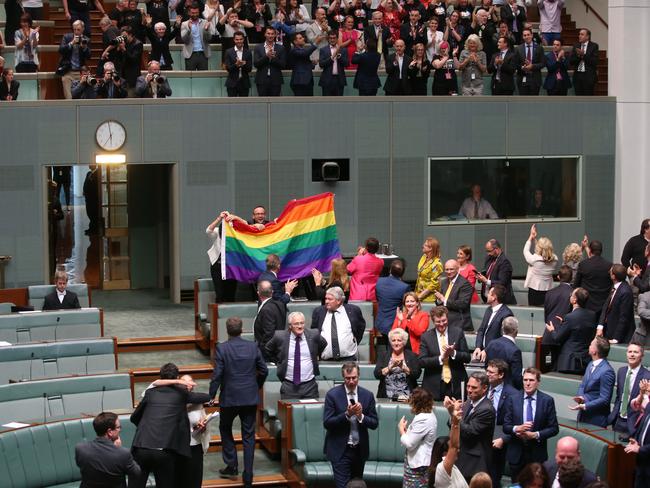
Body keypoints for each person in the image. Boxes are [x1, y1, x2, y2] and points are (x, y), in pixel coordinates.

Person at [130, 363, 211, 488]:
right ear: (177, 378)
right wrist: (182, 384)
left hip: (141, 446)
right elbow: (207, 397)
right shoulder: (181, 394)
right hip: (164, 450)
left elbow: (134, 418)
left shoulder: (151, 392)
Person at [209, 317, 268, 487]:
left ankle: (232, 464)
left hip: (230, 397)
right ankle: (248, 475)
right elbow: (263, 370)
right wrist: (256, 386)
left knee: (225, 427)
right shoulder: (252, 346)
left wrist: (212, 394)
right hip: (249, 397)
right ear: (242, 329)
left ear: (227, 330)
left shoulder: (222, 348)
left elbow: (217, 375)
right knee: (248, 435)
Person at [323, 361, 379, 488]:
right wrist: (347, 415)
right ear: (343, 378)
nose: (351, 381)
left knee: (357, 485)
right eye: (348, 378)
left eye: (354, 378)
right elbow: (327, 423)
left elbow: (374, 423)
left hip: (359, 451)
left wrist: (361, 416)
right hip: (340, 451)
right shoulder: (332, 395)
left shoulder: (367, 395)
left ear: (358, 376)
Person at [503, 367, 559, 481]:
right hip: (517, 454)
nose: (527, 383)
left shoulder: (547, 400)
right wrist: (516, 428)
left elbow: (554, 428)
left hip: (537, 454)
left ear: (538, 382)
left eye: (531, 380)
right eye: (525, 380)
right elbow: (506, 426)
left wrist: (536, 435)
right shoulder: (512, 399)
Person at [265, 311, 327, 399]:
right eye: (296, 324)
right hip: (289, 385)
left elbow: (323, 344)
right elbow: (268, 349)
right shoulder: (279, 336)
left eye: (302, 323)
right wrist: (278, 361)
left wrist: (315, 355)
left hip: (310, 385)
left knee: (312, 411)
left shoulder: (313, 334)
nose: (300, 326)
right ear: (290, 326)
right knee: (289, 411)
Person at [75, 412, 142, 487]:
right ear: (110, 432)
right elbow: (137, 473)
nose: (120, 430)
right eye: (118, 427)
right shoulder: (122, 453)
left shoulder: (80, 449)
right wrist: (118, 449)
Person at [419, 306, 471, 401]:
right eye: (438, 322)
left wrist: (453, 353)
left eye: (444, 320)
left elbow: (467, 357)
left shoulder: (457, 332)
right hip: (433, 385)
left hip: (456, 383)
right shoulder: (426, 337)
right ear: (433, 321)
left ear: (447, 318)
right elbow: (422, 361)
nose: (442, 324)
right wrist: (441, 358)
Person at [546, 287, 596, 374]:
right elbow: (580, 328)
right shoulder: (592, 315)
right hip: (585, 359)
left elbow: (557, 337)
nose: (570, 297)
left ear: (574, 300)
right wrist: (565, 323)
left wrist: (552, 330)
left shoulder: (570, 317)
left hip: (569, 362)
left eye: (571, 295)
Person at [456, 371, 495, 482]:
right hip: (463, 456)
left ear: (484, 388)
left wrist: (454, 416)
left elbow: (470, 432)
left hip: (475, 463)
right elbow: (454, 426)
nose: (469, 390)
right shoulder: (469, 402)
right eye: (468, 386)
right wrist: (454, 415)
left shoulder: (486, 409)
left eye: (474, 387)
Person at [486, 359, 519, 487]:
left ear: (501, 375)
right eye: (487, 371)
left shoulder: (513, 394)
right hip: (482, 440)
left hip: (500, 443)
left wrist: (504, 439)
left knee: (493, 479)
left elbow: (516, 423)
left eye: (491, 372)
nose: (487, 374)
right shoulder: (483, 389)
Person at [311, 286, 366, 361]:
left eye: (330, 299)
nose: (326, 301)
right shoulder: (318, 312)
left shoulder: (353, 311)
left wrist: (352, 342)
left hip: (348, 359)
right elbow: (314, 332)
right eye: (326, 298)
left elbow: (360, 329)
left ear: (339, 301)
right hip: (325, 359)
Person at [571, 337, 615, 428]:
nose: (589, 346)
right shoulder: (591, 364)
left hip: (596, 419)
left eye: (591, 344)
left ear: (595, 351)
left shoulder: (607, 371)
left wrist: (585, 405)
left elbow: (605, 399)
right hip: (583, 416)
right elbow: (583, 385)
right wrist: (581, 397)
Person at [399, 388, 437, 487]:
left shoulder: (423, 419)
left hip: (417, 466)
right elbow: (418, 438)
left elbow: (410, 444)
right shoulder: (429, 415)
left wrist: (401, 430)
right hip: (419, 463)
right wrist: (408, 432)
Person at [608, 342, 649, 436]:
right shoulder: (621, 371)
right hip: (617, 420)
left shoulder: (647, 376)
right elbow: (619, 396)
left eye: (636, 352)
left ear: (642, 355)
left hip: (634, 424)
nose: (632, 354)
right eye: (630, 351)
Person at [541, 265, 574, 370]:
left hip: (548, 335)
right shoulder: (573, 294)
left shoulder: (549, 293)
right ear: (572, 277)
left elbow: (546, 316)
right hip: (564, 337)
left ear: (558, 277)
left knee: (546, 369)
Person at [428, 398, 466, 488]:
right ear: (444, 453)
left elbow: (452, 443)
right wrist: (455, 422)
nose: (459, 450)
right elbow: (454, 446)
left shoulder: (446, 467)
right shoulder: (443, 469)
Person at [374, 328, 421, 399]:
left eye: (399, 340)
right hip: (386, 396)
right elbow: (377, 374)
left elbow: (417, 374)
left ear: (404, 342)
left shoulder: (412, 356)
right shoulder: (384, 355)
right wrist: (390, 367)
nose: (396, 343)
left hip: (408, 396)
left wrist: (403, 367)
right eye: (393, 340)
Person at [596, 263, 635, 344]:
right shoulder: (615, 287)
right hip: (609, 330)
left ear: (613, 276)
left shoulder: (625, 292)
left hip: (621, 336)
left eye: (610, 272)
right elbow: (606, 307)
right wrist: (600, 326)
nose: (609, 272)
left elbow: (624, 317)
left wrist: (616, 338)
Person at [473, 285, 513, 361]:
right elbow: (481, 329)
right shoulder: (489, 310)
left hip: (496, 356)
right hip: (483, 353)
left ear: (494, 297)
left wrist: (487, 350)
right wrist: (478, 347)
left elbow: (503, 338)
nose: (487, 295)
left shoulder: (506, 314)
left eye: (489, 293)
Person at [375, 259, 410, 345]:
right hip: (394, 324)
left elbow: (378, 298)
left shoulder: (379, 281)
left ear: (390, 270)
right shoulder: (404, 287)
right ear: (403, 273)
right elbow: (406, 305)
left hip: (380, 323)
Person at [573, 239, 612, 313]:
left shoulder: (583, 264)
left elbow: (576, 284)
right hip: (603, 305)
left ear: (590, 251)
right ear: (601, 251)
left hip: (586, 304)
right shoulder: (609, 265)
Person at [523, 224, 558, 306]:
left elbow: (526, 251)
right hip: (548, 289)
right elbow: (543, 253)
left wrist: (531, 237)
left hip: (534, 291)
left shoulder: (534, 259)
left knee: (534, 314)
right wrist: (535, 239)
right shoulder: (555, 259)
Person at [434, 259, 473, 332]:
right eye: (447, 270)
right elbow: (440, 302)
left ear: (458, 269)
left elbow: (462, 304)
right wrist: (438, 300)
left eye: (451, 269)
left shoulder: (465, 284)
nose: (449, 272)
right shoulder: (444, 282)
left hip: (459, 323)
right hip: (444, 322)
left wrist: (443, 299)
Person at [205, 211, 236, 303]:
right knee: (219, 292)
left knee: (231, 292)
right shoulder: (217, 232)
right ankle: (218, 314)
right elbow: (208, 231)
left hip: (231, 266)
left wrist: (234, 218)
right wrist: (219, 218)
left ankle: (230, 313)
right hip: (217, 265)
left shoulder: (235, 234)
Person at [485, 316, 523, 389]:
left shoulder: (491, 344)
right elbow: (517, 377)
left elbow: (486, 366)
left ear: (502, 329)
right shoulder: (515, 351)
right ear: (516, 331)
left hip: (491, 387)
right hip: (508, 391)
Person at [254, 280, 287, 361]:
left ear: (258, 293)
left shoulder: (266, 309)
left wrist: (265, 354)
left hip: (268, 356)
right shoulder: (280, 305)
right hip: (278, 350)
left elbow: (269, 335)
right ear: (272, 292)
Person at [58, 20, 92, 100]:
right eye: (74, 30)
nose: (76, 32)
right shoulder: (67, 37)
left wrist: (84, 48)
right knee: (69, 97)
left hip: (80, 72)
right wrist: (71, 43)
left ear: (83, 29)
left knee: (82, 95)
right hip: (68, 71)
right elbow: (61, 50)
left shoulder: (86, 40)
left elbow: (89, 56)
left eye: (78, 30)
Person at [477, 238, 516, 305]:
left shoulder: (505, 262)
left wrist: (486, 281)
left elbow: (502, 283)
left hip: (501, 301)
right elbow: (487, 272)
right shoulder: (488, 258)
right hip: (487, 299)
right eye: (487, 251)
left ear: (497, 249)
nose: (488, 254)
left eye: (489, 251)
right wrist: (481, 277)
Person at [180, 4, 214, 70]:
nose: (195, 14)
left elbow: (209, 39)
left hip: (203, 54)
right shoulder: (184, 24)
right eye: (193, 13)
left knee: (203, 77)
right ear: (189, 13)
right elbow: (184, 40)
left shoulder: (205, 22)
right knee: (189, 77)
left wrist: (206, 30)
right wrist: (189, 29)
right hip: (190, 54)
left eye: (196, 12)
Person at [254, 26, 286, 96]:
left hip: (276, 80)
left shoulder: (281, 48)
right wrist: (266, 56)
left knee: (275, 103)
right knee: (262, 102)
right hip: (261, 80)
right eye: (268, 33)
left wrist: (274, 58)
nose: (270, 36)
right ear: (265, 34)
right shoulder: (258, 47)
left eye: (272, 34)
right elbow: (256, 64)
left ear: (275, 35)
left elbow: (283, 65)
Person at [515, 27, 544, 95]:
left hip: (535, 79)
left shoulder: (539, 48)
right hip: (522, 78)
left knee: (534, 103)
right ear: (522, 37)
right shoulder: (518, 49)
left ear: (532, 35)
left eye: (528, 34)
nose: (526, 37)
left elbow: (542, 63)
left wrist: (532, 66)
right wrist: (522, 67)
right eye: (524, 35)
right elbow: (515, 64)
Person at [115, 26, 143, 95]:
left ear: (130, 35)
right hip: (122, 76)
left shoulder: (138, 44)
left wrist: (124, 49)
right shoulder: (124, 43)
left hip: (132, 78)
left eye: (124, 36)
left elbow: (133, 59)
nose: (123, 38)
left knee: (130, 97)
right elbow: (118, 60)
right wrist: (118, 50)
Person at [224, 30, 253, 96]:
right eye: (237, 39)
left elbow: (250, 69)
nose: (239, 41)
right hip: (232, 83)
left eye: (241, 39)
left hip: (244, 83)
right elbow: (228, 68)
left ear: (243, 40)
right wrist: (236, 65)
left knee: (244, 105)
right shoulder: (228, 52)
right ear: (234, 40)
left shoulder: (248, 52)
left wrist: (243, 64)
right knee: (231, 105)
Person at [569, 29, 598, 96]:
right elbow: (571, 62)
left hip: (588, 76)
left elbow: (594, 62)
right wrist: (579, 56)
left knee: (588, 99)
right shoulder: (576, 46)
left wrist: (583, 55)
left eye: (582, 34)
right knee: (579, 99)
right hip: (578, 76)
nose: (579, 36)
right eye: (579, 34)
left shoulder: (594, 46)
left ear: (587, 37)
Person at [319, 30, 348, 96]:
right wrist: (332, 57)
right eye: (330, 38)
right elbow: (321, 64)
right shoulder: (323, 50)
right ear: (328, 39)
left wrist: (339, 57)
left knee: (339, 103)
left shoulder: (343, 50)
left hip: (339, 80)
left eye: (334, 38)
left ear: (337, 38)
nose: (332, 40)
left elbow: (346, 64)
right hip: (327, 80)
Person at [415, 237, 444, 303]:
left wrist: (420, 296)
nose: (423, 246)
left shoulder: (437, 264)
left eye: (425, 245)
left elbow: (434, 284)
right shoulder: (424, 257)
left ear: (431, 248)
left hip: (429, 298)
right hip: (418, 292)